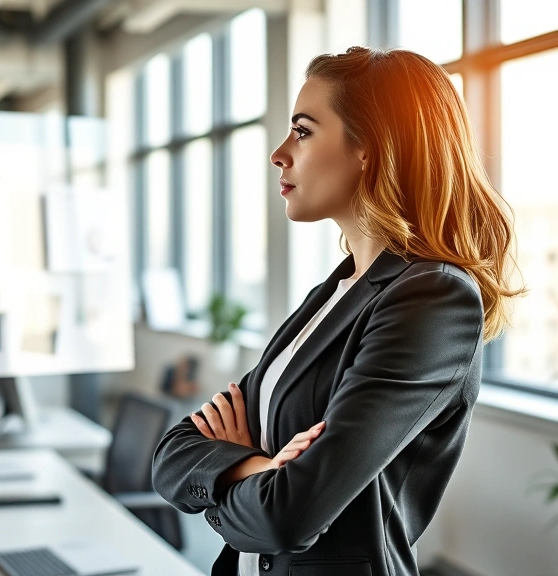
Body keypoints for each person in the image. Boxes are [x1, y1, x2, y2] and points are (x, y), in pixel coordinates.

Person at [151, 46, 523, 576]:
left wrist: (230, 474)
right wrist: (258, 467)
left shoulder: (433, 299)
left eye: (302, 131)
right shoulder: (333, 294)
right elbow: (173, 451)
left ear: (370, 148)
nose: (279, 153)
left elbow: (288, 517)